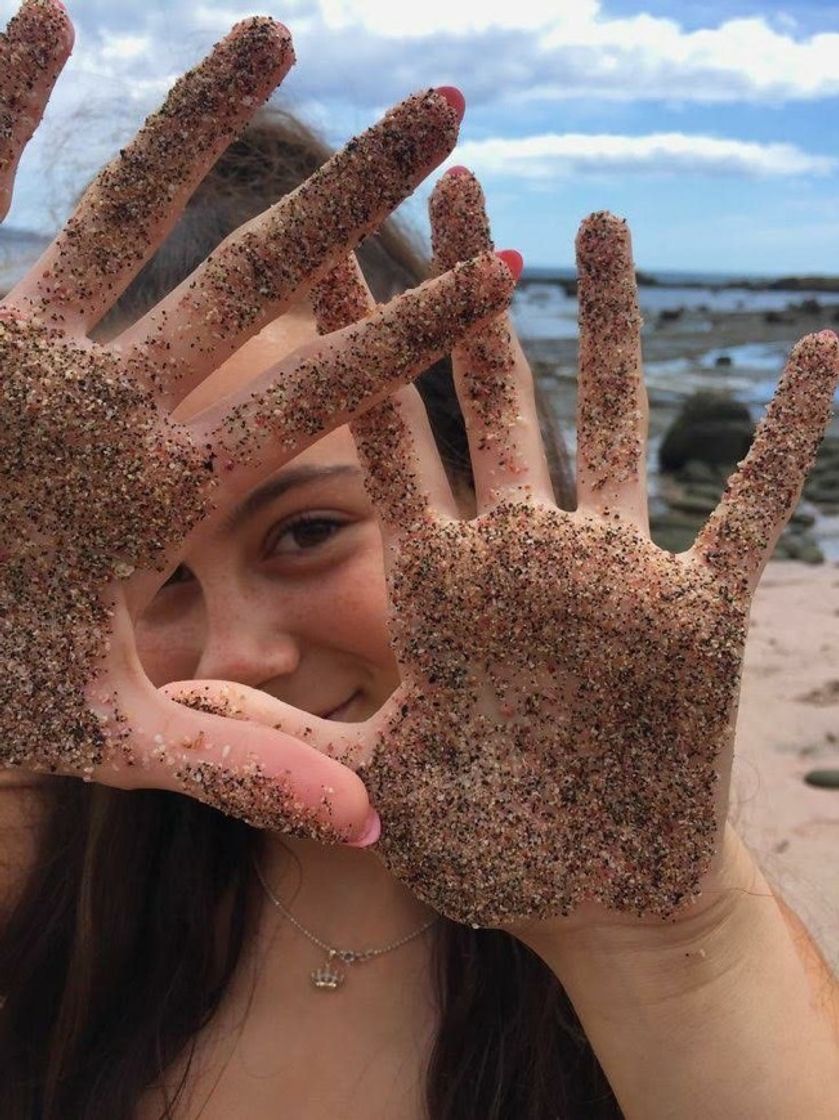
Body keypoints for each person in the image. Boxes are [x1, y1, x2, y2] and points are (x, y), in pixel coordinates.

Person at [1, 4, 837, 1120]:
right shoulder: (50, 850)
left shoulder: (644, 893)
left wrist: (657, 942)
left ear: (473, 488)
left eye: (306, 532)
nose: (239, 655)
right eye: (151, 579)